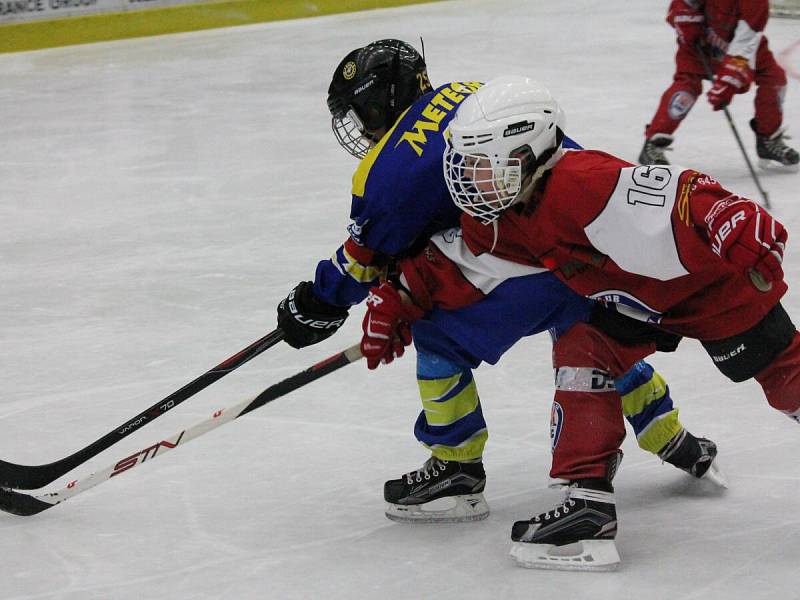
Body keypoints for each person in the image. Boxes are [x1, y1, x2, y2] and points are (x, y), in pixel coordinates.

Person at [275, 40, 722, 527]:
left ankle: (456, 469)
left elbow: (362, 263)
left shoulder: (381, 173)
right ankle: (671, 437)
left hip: (525, 248)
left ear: (382, 100)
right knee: (587, 334)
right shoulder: (463, 92)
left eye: (362, 111)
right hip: (587, 236)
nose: (362, 127)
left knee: (438, 334)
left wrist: (316, 302)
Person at [361, 74, 798, 570]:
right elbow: (467, 260)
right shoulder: (513, 213)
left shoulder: (583, 182)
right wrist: (397, 297)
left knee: (787, 383)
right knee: (581, 348)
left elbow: (675, 191)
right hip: (633, 305)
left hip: (711, 290)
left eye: (482, 166)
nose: (469, 179)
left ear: (526, 155)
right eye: (464, 164)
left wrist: (726, 213)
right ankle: (588, 505)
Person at [639, 0, 799, 168]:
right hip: (702, 36)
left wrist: (728, 80)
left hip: (738, 43)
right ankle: (654, 143)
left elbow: (746, 42)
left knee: (774, 79)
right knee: (687, 86)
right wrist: (685, 17)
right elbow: (682, 4)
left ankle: (768, 138)